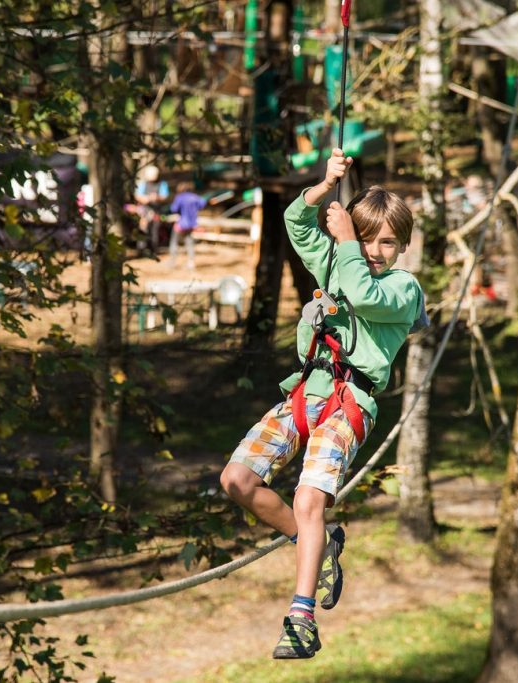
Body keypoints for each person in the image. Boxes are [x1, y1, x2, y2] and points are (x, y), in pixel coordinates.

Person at [219, 148, 426, 660]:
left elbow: (360, 290)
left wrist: (348, 243)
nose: (376, 250)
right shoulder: (340, 255)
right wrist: (323, 186)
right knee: (236, 481)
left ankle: (301, 617)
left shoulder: (402, 288)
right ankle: (319, 542)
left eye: (388, 243)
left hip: (349, 404)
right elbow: (296, 221)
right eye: (370, 238)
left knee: (310, 499)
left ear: (401, 247)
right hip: (305, 392)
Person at [168, 181, 206, 270]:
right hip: (192, 224)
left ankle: (172, 262)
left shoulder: (180, 197)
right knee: (189, 242)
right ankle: (191, 262)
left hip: (181, 224)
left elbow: (173, 209)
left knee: (174, 242)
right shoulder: (195, 197)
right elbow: (202, 204)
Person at [134, 165, 169, 253]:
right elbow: (137, 195)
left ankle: (154, 248)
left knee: (155, 228)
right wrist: (145, 199)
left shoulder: (162, 184)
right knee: (143, 228)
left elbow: (165, 196)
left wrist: (157, 198)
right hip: (145, 210)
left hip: (157, 210)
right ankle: (141, 248)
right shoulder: (143, 184)